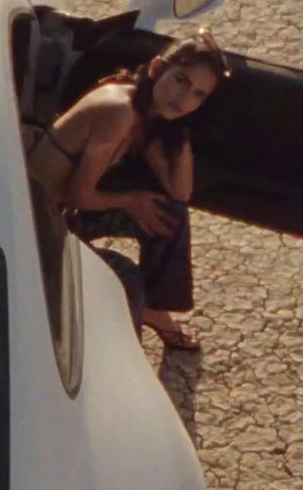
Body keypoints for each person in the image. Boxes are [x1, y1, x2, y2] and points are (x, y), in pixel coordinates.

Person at [24, 30, 230, 351]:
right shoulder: (119, 111)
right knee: (126, 277)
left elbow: (180, 192)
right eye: (180, 81)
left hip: (61, 211)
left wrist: (182, 134)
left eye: (199, 95)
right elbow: (80, 195)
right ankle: (128, 360)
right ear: (157, 68)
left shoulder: (148, 114)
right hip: (33, 226)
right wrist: (131, 201)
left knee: (168, 213)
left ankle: (154, 310)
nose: (184, 98)